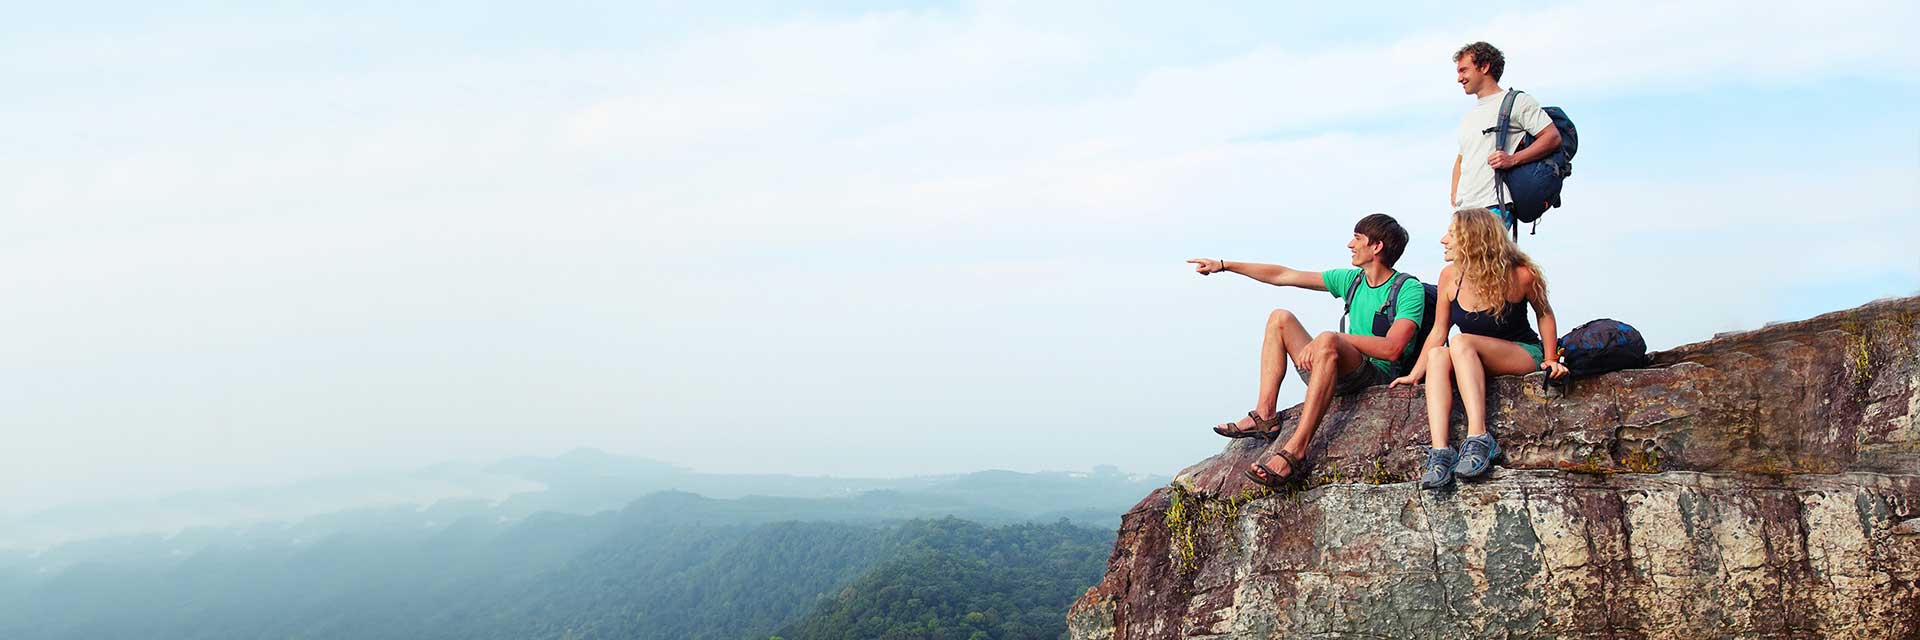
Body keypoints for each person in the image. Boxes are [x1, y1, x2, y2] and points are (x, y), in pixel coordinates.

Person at [1188, 214, 1426, 487]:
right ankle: (1265, 415)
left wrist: (1334, 338)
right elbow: (1283, 275)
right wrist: (1224, 265)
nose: (1350, 244)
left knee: (1328, 340)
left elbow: (1392, 348)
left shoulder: (1408, 289)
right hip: (1339, 370)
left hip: (1377, 377)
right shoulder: (1352, 280)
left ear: (1377, 246)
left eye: (1357, 238)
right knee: (1280, 318)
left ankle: (1295, 451)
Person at [1391, 208, 1567, 489]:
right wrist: (1414, 374)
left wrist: (1550, 358)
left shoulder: (1521, 275)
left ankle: (1479, 437)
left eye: (1452, 234)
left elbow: (1544, 314)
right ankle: (1441, 452)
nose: (1443, 240)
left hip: (1520, 352)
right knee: (1438, 354)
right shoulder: (1450, 276)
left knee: (1461, 340)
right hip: (1471, 357)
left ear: (1473, 239)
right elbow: (1438, 332)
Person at [1450, 41, 1562, 228]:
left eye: (1463, 70)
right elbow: (1461, 158)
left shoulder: (1517, 102)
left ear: (1484, 67)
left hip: (1493, 206)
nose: (1459, 78)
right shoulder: (1470, 116)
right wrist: (1455, 194)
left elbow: (1552, 137)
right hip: (1464, 210)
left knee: (1485, 250)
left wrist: (1513, 159)